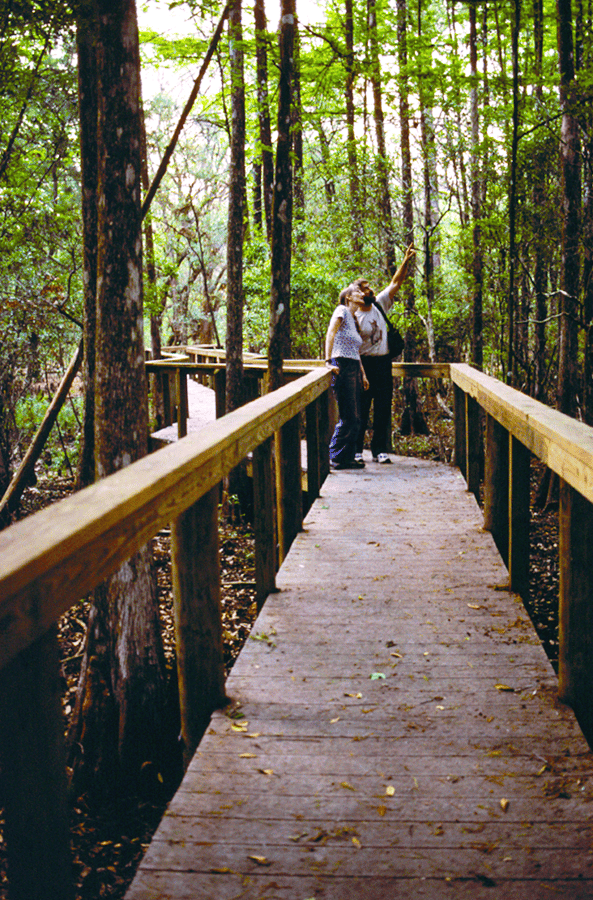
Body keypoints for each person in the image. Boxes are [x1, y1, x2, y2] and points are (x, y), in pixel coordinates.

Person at [353, 243, 416, 464]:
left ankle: (379, 449)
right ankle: (356, 448)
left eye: (370, 288)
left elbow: (395, 282)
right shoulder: (354, 315)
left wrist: (405, 261)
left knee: (382, 406)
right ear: (357, 294)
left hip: (383, 364)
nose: (370, 291)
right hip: (363, 365)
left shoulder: (379, 304)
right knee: (361, 407)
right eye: (365, 289)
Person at [324, 284, 369, 469]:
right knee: (348, 415)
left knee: (356, 416)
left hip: (353, 367)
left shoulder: (354, 317)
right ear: (348, 297)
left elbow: (355, 351)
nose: (362, 294)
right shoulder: (341, 310)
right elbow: (331, 333)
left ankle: (347, 457)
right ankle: (335, 456)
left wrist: (363, 375)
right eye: (357, 292)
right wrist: (328, 360)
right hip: (340, 364)